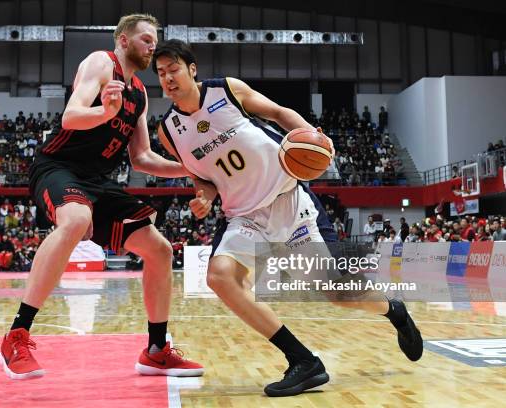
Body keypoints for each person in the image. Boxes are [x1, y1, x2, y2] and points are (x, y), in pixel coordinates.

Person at [152, 39, 422, 397]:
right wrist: (203, 197)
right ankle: (303, 360)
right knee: (220, 277)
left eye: (173, 69)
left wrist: (312, 136)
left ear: (192, 69)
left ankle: (394, 310)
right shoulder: (169, 131)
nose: (167, 78)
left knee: (340, 294)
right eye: (160, 73)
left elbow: (279, 113)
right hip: (244, 216)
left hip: (289, 202)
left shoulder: (226, 90)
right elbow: (203, 177)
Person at [0, 15, 203, 380]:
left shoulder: (139, 93)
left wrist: (190, 167)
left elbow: (142, 158)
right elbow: (70, 117)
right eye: (145, 39)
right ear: (123, 40)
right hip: (58, 167)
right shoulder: (99, 63)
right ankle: (17, 335)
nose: (151, 46)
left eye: (154, 40)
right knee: (75, 219)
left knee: (159, 250)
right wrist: (104, 112)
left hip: (97, 181)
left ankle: (156, 350)